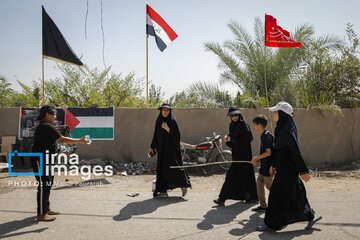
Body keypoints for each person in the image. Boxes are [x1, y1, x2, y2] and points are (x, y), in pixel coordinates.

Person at [256, 101, 322, 231]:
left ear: (282, 113)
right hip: (284, 168)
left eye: (275, 112)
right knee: (297, 194)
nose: (273, 114)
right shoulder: (281, 128)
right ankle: (310, 217)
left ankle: (270, 223)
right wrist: (274, 164)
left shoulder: (286, 130)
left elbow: (294, 151)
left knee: (275, 196)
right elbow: (279, 150)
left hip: (288, 170)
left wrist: (303, 170)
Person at [31, 105, 89, 221]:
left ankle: (46, 209)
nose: (55, 116)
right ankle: (41, 214)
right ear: (47, 114)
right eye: (54, 114)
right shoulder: (45, 126)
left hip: (48, 159)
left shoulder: (47, 126)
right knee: (44, 185)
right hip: (41, 159)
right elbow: (61, 139)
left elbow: (53, 143)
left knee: (48, 183)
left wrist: (62, 150)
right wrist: (80, 141)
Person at [214, 106, 258, 206]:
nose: (234, 117)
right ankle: (250, 197)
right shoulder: (232, 125)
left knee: (232, 176)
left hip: (244, 157)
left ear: (239, 115)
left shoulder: (243, 125)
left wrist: (231, 140)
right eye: (232, 115)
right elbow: (233, 143)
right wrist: (227, 141)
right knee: (242, 177)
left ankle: (222, 199)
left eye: (236, 115)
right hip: (236, 156)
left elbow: (246, 140)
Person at [149, 103, 191, 198]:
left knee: (174, 168)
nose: (165, 112)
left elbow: (177, 136)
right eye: (163, 110)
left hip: (171, 151)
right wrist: (152, 146)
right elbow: (155, 134)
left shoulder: (172, 121)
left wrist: (167, 129)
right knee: (161, 170)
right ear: (161, 111)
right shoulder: (159, 120)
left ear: (170, 111)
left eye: (167, 110)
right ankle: (163, 191)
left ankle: (183, 185)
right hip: (161, 150)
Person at [250, 115, 274, 212]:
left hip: (268, 167)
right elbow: (265, 152)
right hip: (263, 166)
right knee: (259, 184)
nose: (254, 127)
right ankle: (263, 206)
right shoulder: (264, 135)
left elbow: (269, 152)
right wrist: (259, 160)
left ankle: (282, 205)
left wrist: (256, 157)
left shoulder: (266, 135)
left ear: (259, 125)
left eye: (255, 125)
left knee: (270, 187)